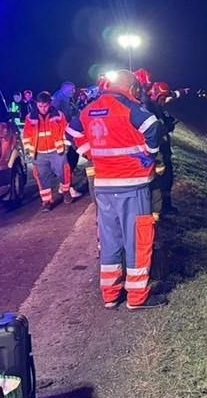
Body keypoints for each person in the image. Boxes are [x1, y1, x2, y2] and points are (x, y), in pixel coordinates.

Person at [67, 69, 166, 310]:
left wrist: (90, 153)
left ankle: (110, 294)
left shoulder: (90, 108)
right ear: (131, 88)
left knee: (110, 240)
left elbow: (71, 132)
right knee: (137, 241)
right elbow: (153, 127)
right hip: (132, 185)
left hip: (103, 186)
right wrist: (149, 154)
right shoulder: (128, 107)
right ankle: (137, 297)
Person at [22, 92, 75, 211]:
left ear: (49, 104)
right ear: (37, 104)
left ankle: (66, 191)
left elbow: (65, 131)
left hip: (57, 151)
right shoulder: (30, 117)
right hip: (39, 153)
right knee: (42, 177)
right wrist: (28, 150)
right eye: (40, 106)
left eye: (45, 106)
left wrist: (66, 147)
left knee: (63, 173)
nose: (43, 109)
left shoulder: (58, 115)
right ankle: (46, 201)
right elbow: (26, 135)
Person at [148, 81, 190, 214]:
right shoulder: (151, 109)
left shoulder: (156, 106)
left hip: (163, 150)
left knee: (167, 176)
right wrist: (168, 126)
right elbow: (157, 130)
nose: (164, 101)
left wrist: (182, 92)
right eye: (162, 99)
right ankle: (161, 207)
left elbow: (171, 95)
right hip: (158, 151)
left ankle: (165, 205)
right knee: (161, 178)